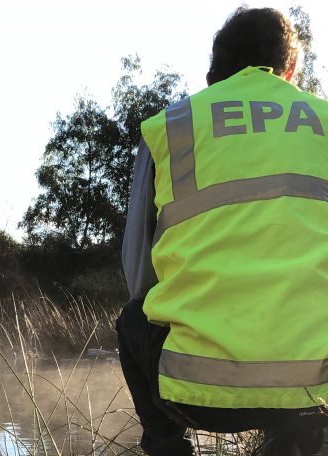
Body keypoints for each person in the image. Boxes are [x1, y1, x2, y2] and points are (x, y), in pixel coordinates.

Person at [117, 7, 328, 456]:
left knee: (132, 320)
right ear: (291, 69)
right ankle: (298, 442)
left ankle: (167, 447)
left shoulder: (174, 126)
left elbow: (137, 276)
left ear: (215, 73)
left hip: (193, 391)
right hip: (316, 389)